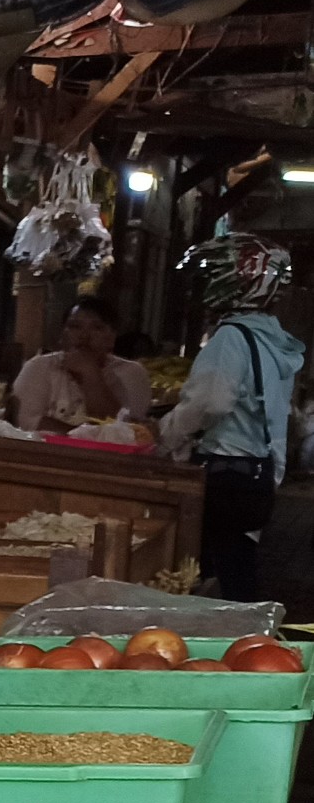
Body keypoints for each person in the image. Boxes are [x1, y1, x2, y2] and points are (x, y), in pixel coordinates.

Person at [159, 234, 301, 599]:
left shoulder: (231, 337)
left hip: (225, 474)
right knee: (239, 565)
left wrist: (167, 432)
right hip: (256, 471)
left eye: (212, 274)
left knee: (213, 571)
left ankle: (238, 644)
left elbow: (211, 403)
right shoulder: (269, 340)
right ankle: (250, 640)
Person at [9, 296, 152, 433]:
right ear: (62, 334)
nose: (84, 336)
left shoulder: (132, 373)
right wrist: (86, 437)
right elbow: (27, 423)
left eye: (97, 328)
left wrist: (91, 375)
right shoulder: (38, 366)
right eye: (75, 326)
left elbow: (127, 431)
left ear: (112, 337)